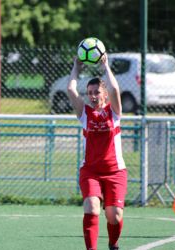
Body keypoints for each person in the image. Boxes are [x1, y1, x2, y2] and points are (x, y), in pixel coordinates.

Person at [67, 54, 127, 250]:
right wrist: (76, 67)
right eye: (90, 92)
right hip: (90, 171)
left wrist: (106, 67)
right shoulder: (85, 113)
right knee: (91, 207)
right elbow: (70, 89)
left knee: (114, 215)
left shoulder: (114, 113)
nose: (93, 96)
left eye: (97, 92)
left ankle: (113, 243)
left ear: (105, 94)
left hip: (115, 171)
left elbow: (115, 88)